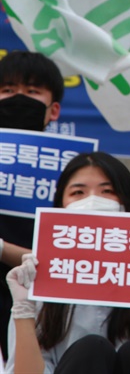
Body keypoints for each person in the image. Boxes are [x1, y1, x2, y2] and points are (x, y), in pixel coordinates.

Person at [4, 152, 130, 373]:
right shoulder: (38, 282)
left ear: (128, 202)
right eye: (78, 192)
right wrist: (23, 310)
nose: (93, 200)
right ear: (60, 204)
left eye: (107, 191)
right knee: (91, 349)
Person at [0, 50, 64, 359]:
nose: (18, 99)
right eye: (8, 90)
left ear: (54, 110)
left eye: (32, 91)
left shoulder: (74, 173)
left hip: (46, 306)